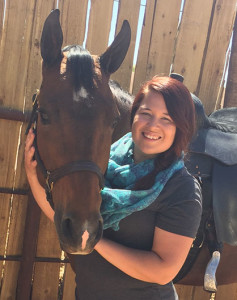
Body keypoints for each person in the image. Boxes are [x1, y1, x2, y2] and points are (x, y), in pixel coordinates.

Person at [25, 76, 202, 300]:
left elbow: (162, 271)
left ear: (180, 127)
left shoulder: (182, 189)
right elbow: (63, 216)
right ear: (133, 115)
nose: (152, 125)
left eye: (166, 119)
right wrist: (32, 175)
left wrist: (95, 241)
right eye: (146, 113)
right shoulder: (103, 167)